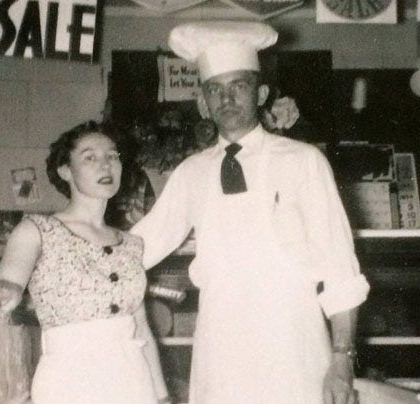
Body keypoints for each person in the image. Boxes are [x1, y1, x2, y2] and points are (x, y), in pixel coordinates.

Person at [130, 21, 370, 404]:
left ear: (260, 93)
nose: (226, 99)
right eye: (215, 90)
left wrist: (341, 359)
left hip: (294, 342)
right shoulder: (191, 172)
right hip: (220, 348)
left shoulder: (304, 162)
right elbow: (138, 248)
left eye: (238, 86)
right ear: (202, 102)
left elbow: (341, 268)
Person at [0, 121, 170, 404]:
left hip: (133, 382)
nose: (105, 165)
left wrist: (162, 397)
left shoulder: (132, 245)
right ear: (65, 171)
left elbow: (141, 326)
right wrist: (6, 288)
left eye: (112, 156)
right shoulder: (37, 230)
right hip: (69, 382)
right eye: (90, 157)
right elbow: (9, 277)